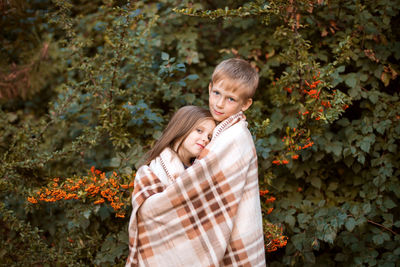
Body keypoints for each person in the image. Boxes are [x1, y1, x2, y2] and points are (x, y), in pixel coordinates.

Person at [127, 58, 265, 267]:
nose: (219, 103)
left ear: (245, 104)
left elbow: (198, 190)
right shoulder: (222, 131)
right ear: (210, 88)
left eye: (230, 99)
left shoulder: (235, 138)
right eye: (217, 93)